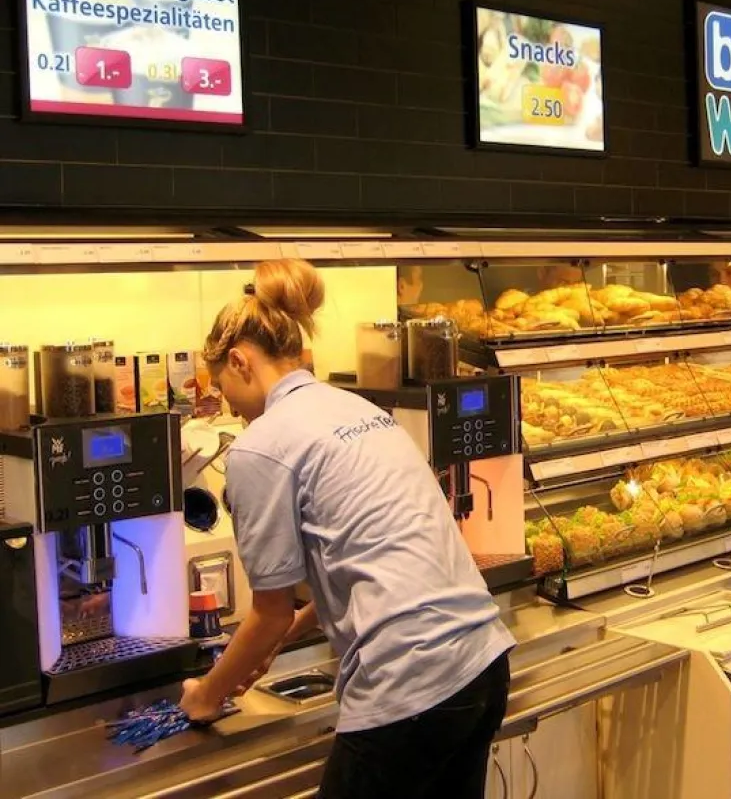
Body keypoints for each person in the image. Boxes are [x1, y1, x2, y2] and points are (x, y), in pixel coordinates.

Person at [180, 259, 515, 799]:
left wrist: (206, 695)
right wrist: (286, 636)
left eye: (222, 388)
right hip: (481, 664)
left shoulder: (261, 445)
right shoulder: (358, 409)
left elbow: (267, 612)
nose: (229, 407)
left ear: (240, 361)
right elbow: (365, 556)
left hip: (409, 684)